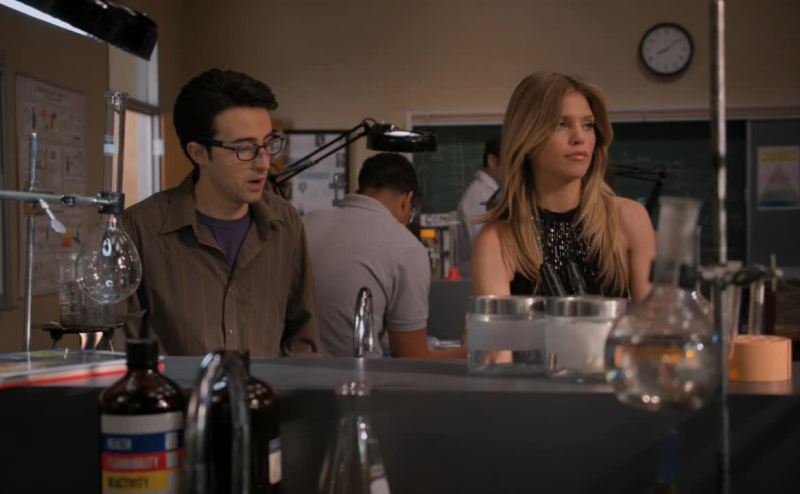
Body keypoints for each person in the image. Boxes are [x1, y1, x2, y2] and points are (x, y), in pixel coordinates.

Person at [121, 68, 319, 356]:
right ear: (198, 153)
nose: (263, 163)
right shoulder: (141, 228)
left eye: (267, 144)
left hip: (265, 386)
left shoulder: (285, 223)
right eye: (244, 149)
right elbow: (120, 345)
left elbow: (302, 337)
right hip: (174, 386)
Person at [472, 72, 656, 301]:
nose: (579, 137)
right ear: (527, 138)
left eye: (588, 125)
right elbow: (495, 326)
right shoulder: (497, 241)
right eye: (561, 124)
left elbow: (652, 320)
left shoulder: (628, 218)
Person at [304, 153, 467, 359]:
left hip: (291, 369)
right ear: (406, 200)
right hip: (355, 374)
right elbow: (411, 358)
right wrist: (466, 353)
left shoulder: (307, 222)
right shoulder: (407, 248)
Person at [455, 137, 501, 276]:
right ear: (492, 161)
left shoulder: (492, 193)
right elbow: (488, 250)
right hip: (478, 279)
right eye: (512, 161)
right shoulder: (480, 197)